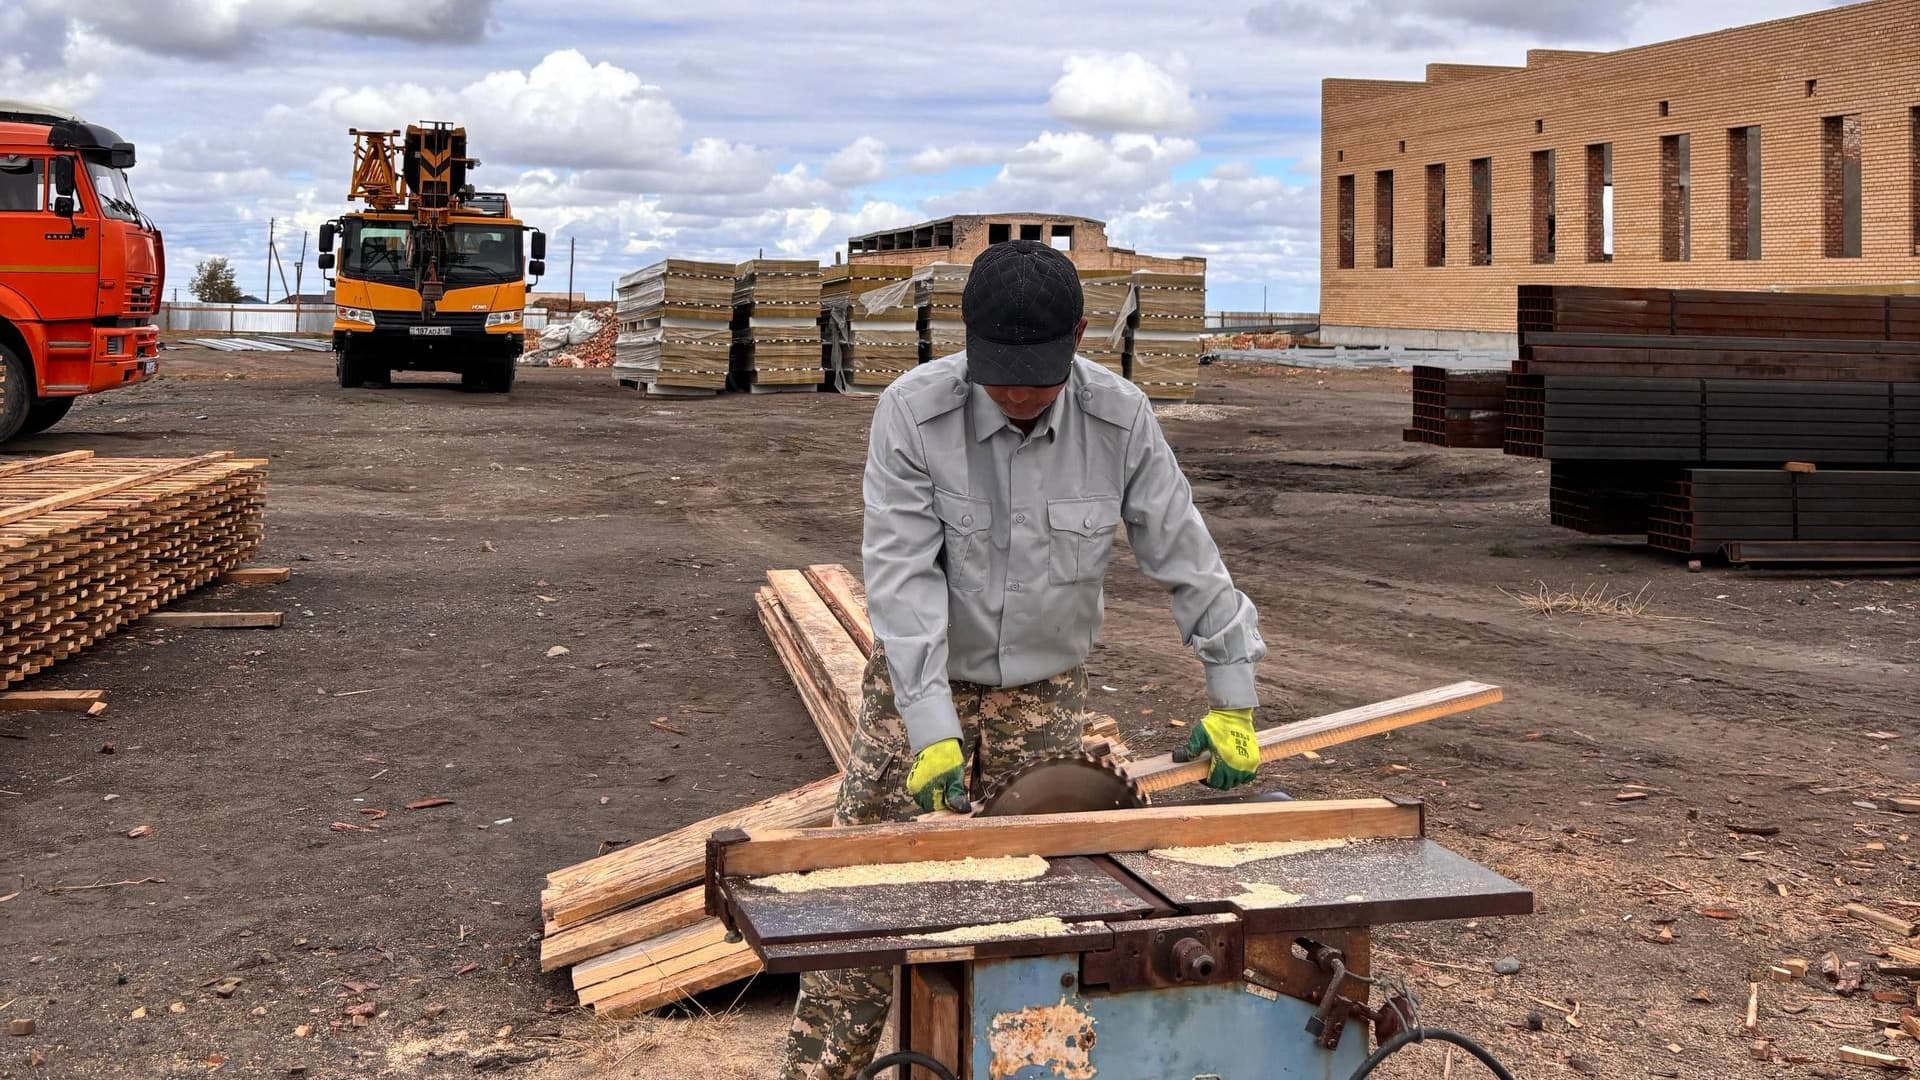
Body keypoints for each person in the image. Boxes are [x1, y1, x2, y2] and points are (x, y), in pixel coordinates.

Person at [780, 239, 1267, 1079]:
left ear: (1079, 337)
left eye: (1034, 378)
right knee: (858, 906)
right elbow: (900, 578)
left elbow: (1186, 553)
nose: (1013, 396)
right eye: (997, 373)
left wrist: (1233, 693)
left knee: (1044, 914)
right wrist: (928, 722)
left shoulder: (1120, 420)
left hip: (1045, 696)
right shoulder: (912, 413)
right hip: (916, 690)